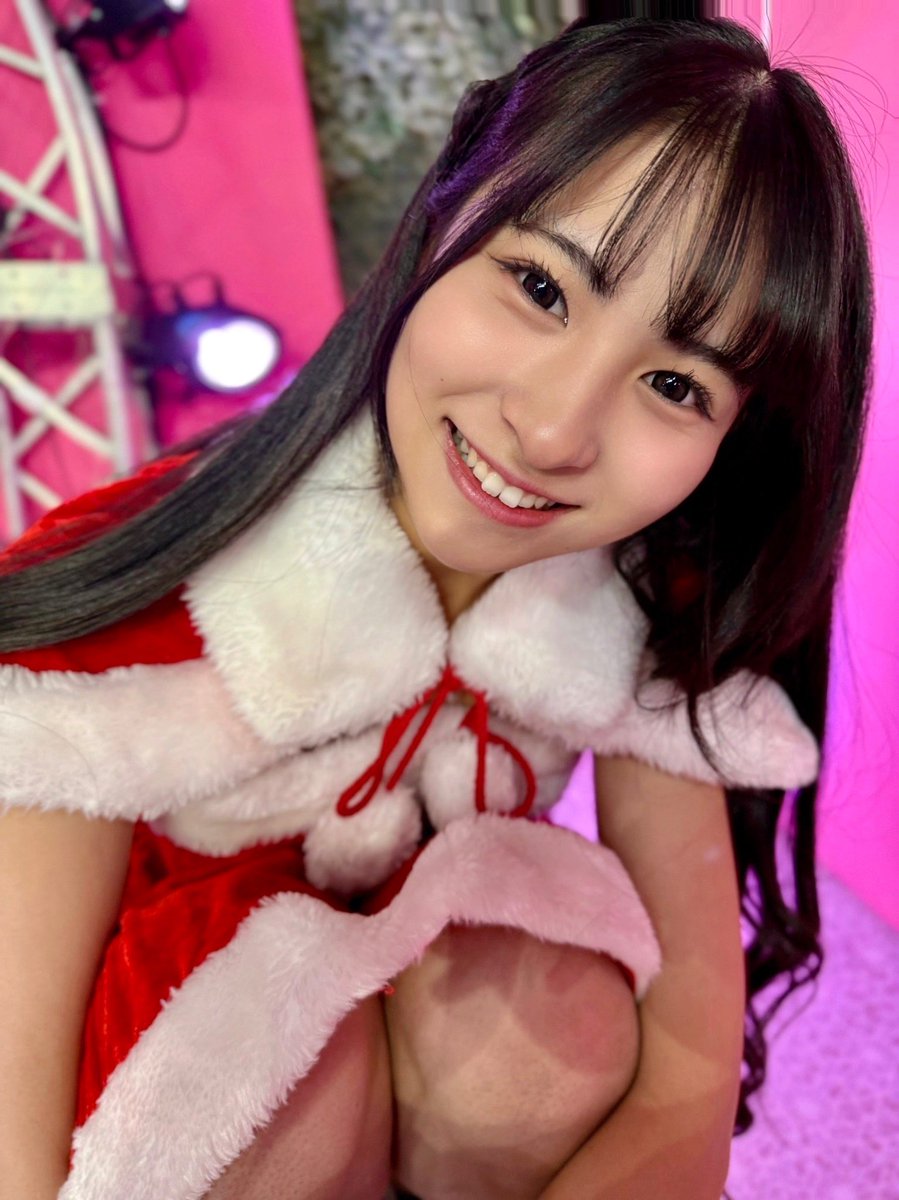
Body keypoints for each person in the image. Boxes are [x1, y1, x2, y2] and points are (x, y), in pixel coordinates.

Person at [0, 15, 872, 1200]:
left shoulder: (643, 603)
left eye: (674, 384)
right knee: (287, 1091)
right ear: (441, 219)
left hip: (417, 1015)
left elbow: (684, 1084)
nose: (553, 430)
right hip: (148, 1092)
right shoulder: (119, 582)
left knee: (549, 1031)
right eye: (539, 286)